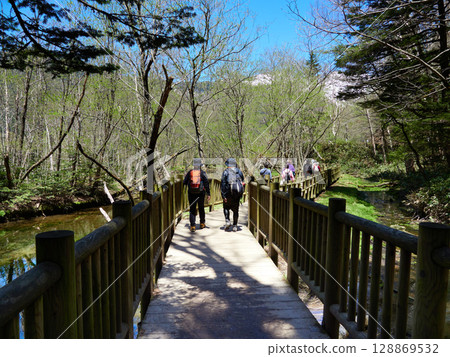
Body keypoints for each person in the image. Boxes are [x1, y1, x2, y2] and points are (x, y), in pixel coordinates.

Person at [183, 158, 211, 232]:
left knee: (192, 209)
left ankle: (192, 226)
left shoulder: (190, 172)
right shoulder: (202, 173)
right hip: (201, 193)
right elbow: (206, 183)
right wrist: (208, 193)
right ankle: (202, 223)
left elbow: (184, 182)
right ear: (200, 165)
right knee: (201, 208)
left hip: (191, 193)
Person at [221, 158, 244, 232]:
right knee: (235, 210)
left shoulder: (226, 172)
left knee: (226, 207)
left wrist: (223, 196)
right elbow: (242, 182)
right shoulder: (239, 172)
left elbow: (223, 184)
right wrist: (240, 194)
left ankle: (227, 221)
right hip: (236, 195)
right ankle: (235, 226)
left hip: (228, 194)